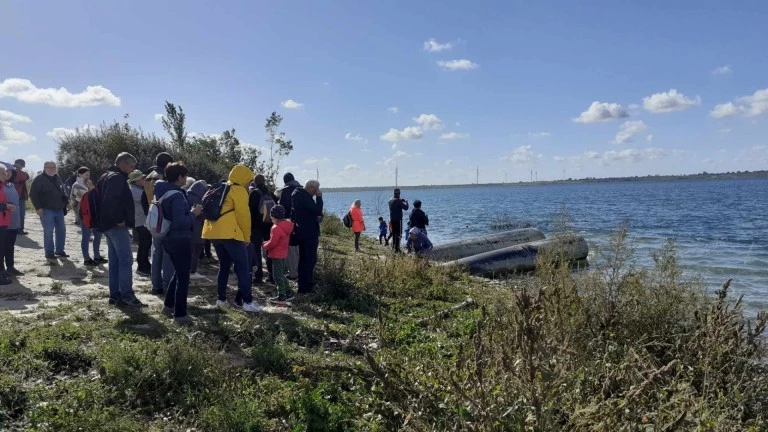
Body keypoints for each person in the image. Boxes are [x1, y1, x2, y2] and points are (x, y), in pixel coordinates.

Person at [202, 165, 261, 313]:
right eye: (248, 181)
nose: (249, 184)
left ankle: (221, 299)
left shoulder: (221, 187)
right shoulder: (239, 190)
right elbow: (244, 217)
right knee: (242, 266)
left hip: (214, 233)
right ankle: (247, 302)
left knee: (223, 266)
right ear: (243, 178)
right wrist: (247, 237)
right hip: (231, 234)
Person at [98, 152, 143, 308]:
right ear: (123, 164)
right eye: (131, 166)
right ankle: (127, 296)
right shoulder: (117, 178)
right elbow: (111, 201)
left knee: (115, 261)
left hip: (107, 225)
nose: (133, 169)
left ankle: (115, 295)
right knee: (125, 260)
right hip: (116, 226)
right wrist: (119, 219)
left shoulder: (105, 176)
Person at [159, 163, 202, 325]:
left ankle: (168, 306)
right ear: (180, 177)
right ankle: (180, 315)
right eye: (185, 176)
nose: (186, 179)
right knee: (183, 277)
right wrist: (193, 213)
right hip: (179, 239)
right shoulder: (177, 196)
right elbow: (180, 222)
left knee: (179, 273)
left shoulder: (165, 192)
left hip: (169, 238)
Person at [29, 161, 68, 259]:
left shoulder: (57, 177)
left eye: (53, 167)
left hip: (59, 209)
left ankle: (59, 250)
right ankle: (49, 252)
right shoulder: (39, 179)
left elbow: (62, 191)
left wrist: (65, 203)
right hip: (46, 210)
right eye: (49, 167)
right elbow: (33, 194)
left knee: (61, 230)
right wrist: (38, 207)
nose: (51, 169)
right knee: (48, 231)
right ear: (44, 168)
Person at [148, 153, 175, 294]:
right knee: (166, 254)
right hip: (163, 218)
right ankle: (166, 285)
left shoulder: (149, 175)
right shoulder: (162, 178)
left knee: (156, 252)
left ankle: (156, 285)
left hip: (152, 216)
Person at [292, 179, 323, 294]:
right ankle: (305, 287)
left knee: (307, 259)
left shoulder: (300, 195)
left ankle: (306, 283)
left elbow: (312, 212)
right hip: (308, 233)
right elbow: (317, 210)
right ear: (311, 188)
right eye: (316, 190)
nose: (317, 192)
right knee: (308, 260)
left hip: (304, 232)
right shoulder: (303, 197)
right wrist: (319, 198)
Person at [70, 167, 106, 266]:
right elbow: (85, 197)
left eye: (89, 174)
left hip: (93, 213)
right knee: (86, 236)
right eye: (86, 174)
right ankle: (86, 258)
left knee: (98, 235)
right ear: (79, 174)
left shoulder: (88, 184)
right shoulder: (76, 185)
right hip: (84, 214)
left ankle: (97, 256)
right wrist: (92, 188)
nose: (88, 176)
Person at [262, 205, 295, 302]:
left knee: (277, 275)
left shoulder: (275, 228)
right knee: (280, 274)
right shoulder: (287, 225)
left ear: (273, 216)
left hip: (276, 254)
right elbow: (277, 240)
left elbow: (273, 243)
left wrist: (265, 246)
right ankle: (288, 292)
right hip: (283, 253)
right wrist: (267, 242)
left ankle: (282, 295)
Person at [278, 172, 301, 280]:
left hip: (289, 223)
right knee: (300, 248)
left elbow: (281, 209)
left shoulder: (285, 191)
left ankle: (293, 273)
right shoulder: (302, 189)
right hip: (303, 224)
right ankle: (302, 272)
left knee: (291, 249)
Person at [129, 170, 151, 276]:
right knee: (144, 244)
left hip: (140, 220)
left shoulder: (137, 189)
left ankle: (145, 264)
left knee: (145, 244)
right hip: (140, 221)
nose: (144, 180)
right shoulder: (136, 191)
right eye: (142, 178)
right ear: (137, 180)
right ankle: (142, 266)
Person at [2, 167, 22, 277]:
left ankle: (10, 266)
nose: (8, 174)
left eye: (10, 172)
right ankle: (2, 270)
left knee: (10, 245)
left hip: (13, 221)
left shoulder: (11, 185)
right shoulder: (1, 186)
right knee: (2, 246)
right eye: (5, 172)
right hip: (3, 221)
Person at [186, 179, 207, 280]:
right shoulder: (197, 200)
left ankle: (189, 270)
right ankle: (192, 271)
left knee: (191, 251)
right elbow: (199, 214)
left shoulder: (187, 195)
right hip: (196, 229)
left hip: (190, 228)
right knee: (195, 251)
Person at [0, 165, 17, 284]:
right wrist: (6, 206)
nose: (5, 175)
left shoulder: (2, 186)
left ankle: (2, 272)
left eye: (5, 173)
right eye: (2, 173)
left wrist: (7, 204)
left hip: (4, 221)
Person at [388, 188, 409, 253]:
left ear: (393, 193)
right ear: (399, 193)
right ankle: (397, 248)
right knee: (399, 234)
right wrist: (406, 202)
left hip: (392, 219)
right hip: (398, 219)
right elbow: (406, 208)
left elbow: (395, 205)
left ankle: (394, 247)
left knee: (394, 233)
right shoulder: (398, 200)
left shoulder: (390, 200)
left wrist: (401, 201)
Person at [12, 159, 29, 235]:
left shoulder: (9, 170)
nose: (22, 167)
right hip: (18, 196)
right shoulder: (20, 173)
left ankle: (14, 229)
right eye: (21, 165)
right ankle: (19, 230)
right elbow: (26, 176)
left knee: (14, 213)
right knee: (21, 214)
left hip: (14, 196)